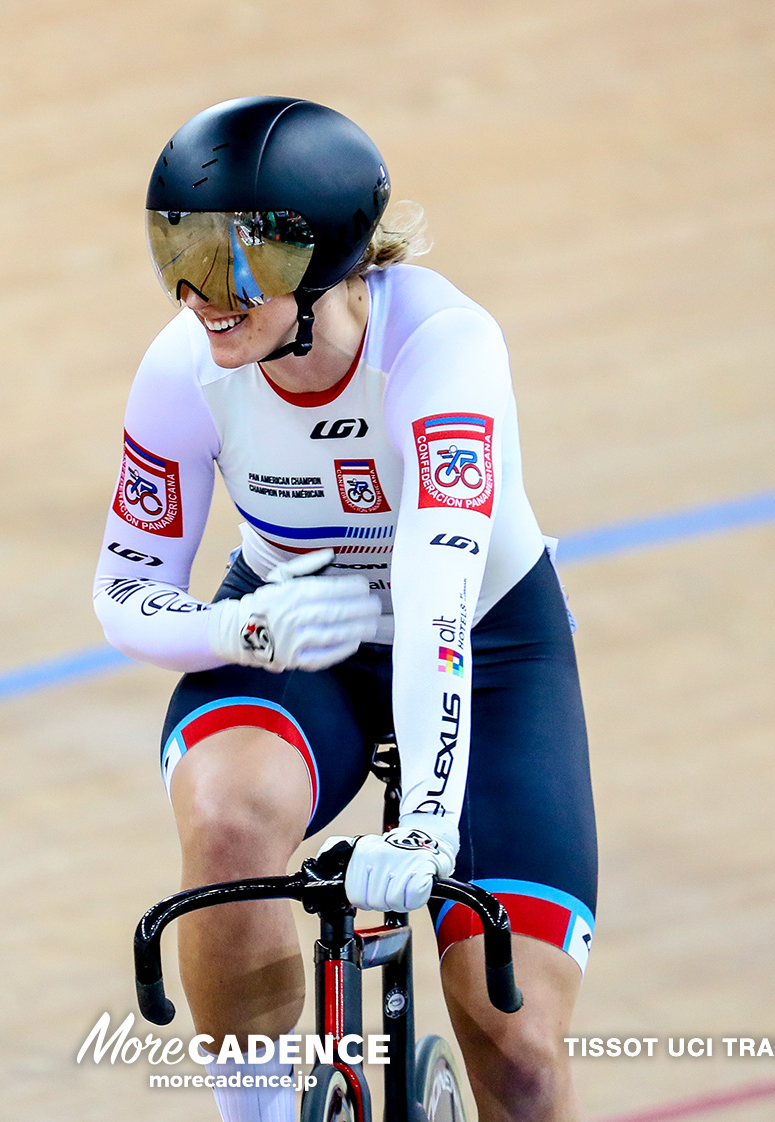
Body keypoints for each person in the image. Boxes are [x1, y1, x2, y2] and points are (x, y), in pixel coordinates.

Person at [94, 96, 597, 1122]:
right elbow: (123, 590)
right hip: (295, 633)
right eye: (176, 254)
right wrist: (237, 629)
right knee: (228, 822)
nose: (201, 295)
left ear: (323, 263)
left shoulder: (443, 344)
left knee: (519, 1047)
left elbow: (436, 600)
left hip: (481, 643)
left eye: (235, 264)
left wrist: (422, 827)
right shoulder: (183, 366)